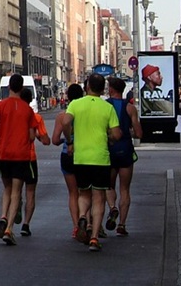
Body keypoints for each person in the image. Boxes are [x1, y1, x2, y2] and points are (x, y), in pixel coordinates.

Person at [58, 73, 121, 252]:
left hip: (81, 157)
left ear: (87, 87)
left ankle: (83, 217)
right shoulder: (107, 107)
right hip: (101, 158)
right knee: (99, 197)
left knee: (83, 193)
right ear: (103, 90)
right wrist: (109, 137)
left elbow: (65, 122)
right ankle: (94, 237)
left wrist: (70, 141)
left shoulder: (76, 104)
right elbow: (116, 134)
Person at [0, 73, 40, 246]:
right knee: (17, 191)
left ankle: (3, 216)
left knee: (7, 188)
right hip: (21, 155)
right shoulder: (28, 110)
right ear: (22, 88)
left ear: (9, 86)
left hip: (3, 153)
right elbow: (32, 136)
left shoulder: (0, 105)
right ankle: (9, 228)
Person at [103, 76, 142, 237]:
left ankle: (113, 208)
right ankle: (122, 224)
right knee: (125, 189)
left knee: (108, 186)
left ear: (111, 90)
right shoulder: (130, 108)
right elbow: (139, 133)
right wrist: (129, 131)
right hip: (125, 149)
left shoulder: (105, 107)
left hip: (109, 150)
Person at [52, 82, 85, 239]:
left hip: (67, 155)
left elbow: (55, 139)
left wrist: (67, 140)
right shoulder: (86, 114)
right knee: (86, 192)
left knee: (73, 193)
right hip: (85, 155)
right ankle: (88, 222)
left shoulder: (62, 117)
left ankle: (76, 226)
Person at [15, 86, 50, 237]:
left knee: (14, 191)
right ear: (31, 100)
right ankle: (26, 224)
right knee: (30, 192)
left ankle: (14, 209)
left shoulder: (12, 114)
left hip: (12, 157)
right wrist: (38, 134)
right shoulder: (36, 118)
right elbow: (46, 140)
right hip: (29, 158)